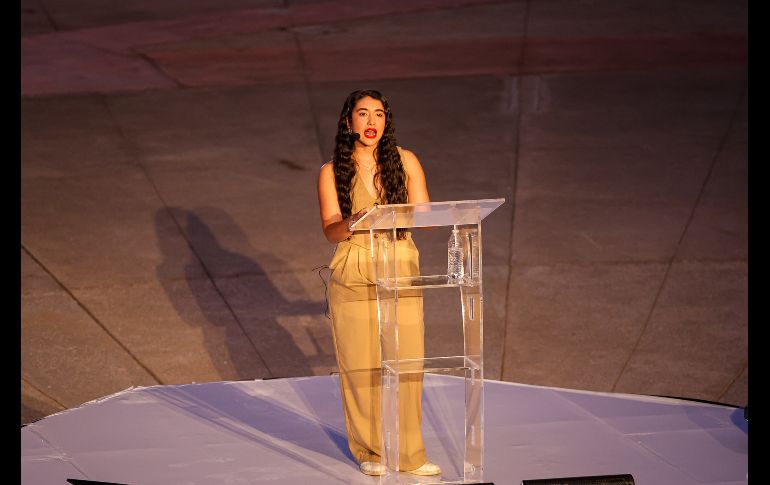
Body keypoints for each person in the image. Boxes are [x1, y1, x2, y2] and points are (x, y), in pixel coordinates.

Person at [316, 90, 441, 477]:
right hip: (354, 268)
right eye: (363, 114)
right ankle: (371, 450)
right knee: (362, 366)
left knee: (406, 361)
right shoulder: (331, 170)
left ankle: (409, 454)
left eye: (379, 114)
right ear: (348, 121)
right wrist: (357, 218)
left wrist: (399, 211)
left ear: (387, 121)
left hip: (399, 264)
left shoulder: (406, 161)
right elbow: (331, 231)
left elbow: (425, 215)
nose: (372, 121)